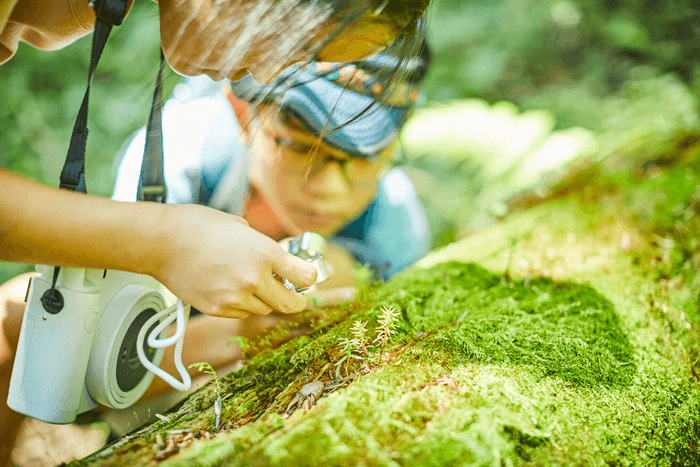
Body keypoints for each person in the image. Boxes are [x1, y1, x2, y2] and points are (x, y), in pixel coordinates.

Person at [0, 0, 430, 464]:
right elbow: (92, 356)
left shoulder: (392, 223)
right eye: (296, 46)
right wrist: (170, 248)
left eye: (363, 159)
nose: (265, 74)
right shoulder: (177, 156)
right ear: (245, 118)